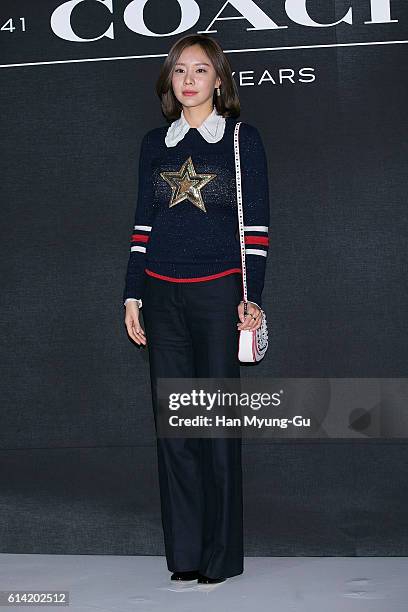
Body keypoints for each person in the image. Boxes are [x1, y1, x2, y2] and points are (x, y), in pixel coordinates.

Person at [123, 33, 270, 585]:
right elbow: (143, 225)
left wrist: (251, 297)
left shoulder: (240, 140)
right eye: (180, 70)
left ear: (219, 80)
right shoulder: (153, 143)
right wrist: (132, 294)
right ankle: (184, 555)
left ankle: (221, 556)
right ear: (170, 81)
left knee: (215, 428)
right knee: (176, 429)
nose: (189, 79)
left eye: (200, 70)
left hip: (217, 295)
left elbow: (255, 228)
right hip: (161, 296)